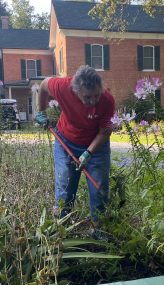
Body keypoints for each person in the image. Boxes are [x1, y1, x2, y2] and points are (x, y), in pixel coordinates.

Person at [35, 65, 115, 238]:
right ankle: (62, 229)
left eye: (96, 95)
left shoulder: (107, 100)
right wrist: (41, 111)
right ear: (76, 90)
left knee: (99, 187)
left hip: (96, 146)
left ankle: (98, 230)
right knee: (65, 185)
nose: (93, 101)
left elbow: (104, 132)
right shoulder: (63, 87)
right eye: (87, 97)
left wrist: (88, 153)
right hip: (66, 141)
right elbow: (43, 86)